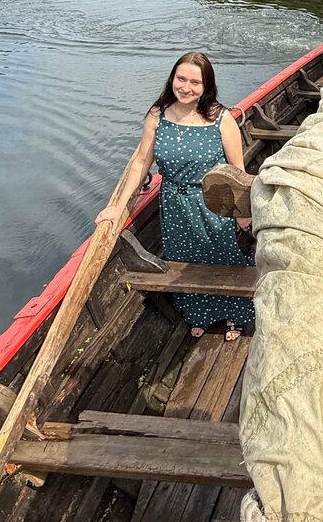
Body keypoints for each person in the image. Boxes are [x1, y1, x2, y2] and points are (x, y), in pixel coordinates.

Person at [97, 52, 254, 342]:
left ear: (207, 87)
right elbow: (141, 162)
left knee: (224, 258)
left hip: (214, 203)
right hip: (174, 204)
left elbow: (237, 172)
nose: (186, 87)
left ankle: (235, 314)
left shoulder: (221, 119)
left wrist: (242, 214)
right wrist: (118, 208)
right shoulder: (157, 115)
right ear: (172, 79)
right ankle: (198, 315)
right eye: (181, 79)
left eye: (195, 82)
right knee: (184, 261)